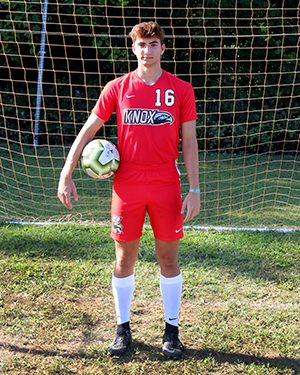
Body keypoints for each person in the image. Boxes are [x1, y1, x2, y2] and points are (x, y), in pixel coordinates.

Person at [57, 21, 200, 358]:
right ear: (133, 49)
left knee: (168, 259)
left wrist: (195, 189)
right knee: (124, 260)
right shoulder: (117, 88)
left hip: (166, 183)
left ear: (163, 49)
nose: (147, 50)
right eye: (141, 44)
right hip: (127, 186)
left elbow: (190, 142)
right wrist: (67, 172)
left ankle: (172, 331)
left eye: (153, 44)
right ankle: (122, 330)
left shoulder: (181, 89)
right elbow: (87, 131)